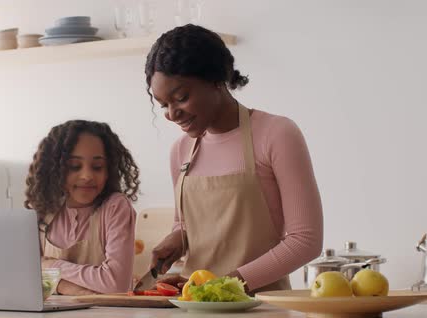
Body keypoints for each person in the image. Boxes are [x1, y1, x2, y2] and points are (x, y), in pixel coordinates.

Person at [144, 25, 323, 293]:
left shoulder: (276, 133)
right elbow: (186, 224)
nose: (172, 113)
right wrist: (178, 239)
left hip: (262, 309)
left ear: (217, 79)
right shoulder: (181, 150)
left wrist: (227, 285)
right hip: (195, 305)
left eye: (181, 98)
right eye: (163, 105)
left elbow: (305, 240)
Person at [24, 120, 140, 295]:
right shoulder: (43, 210)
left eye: (97, 167)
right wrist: (67, 287)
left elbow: (116, 284)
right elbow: (27, 278)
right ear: (55, 170)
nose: (87, 176)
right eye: (74, 167)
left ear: (109, 169)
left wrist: (53, 266)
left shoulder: (115, 207)